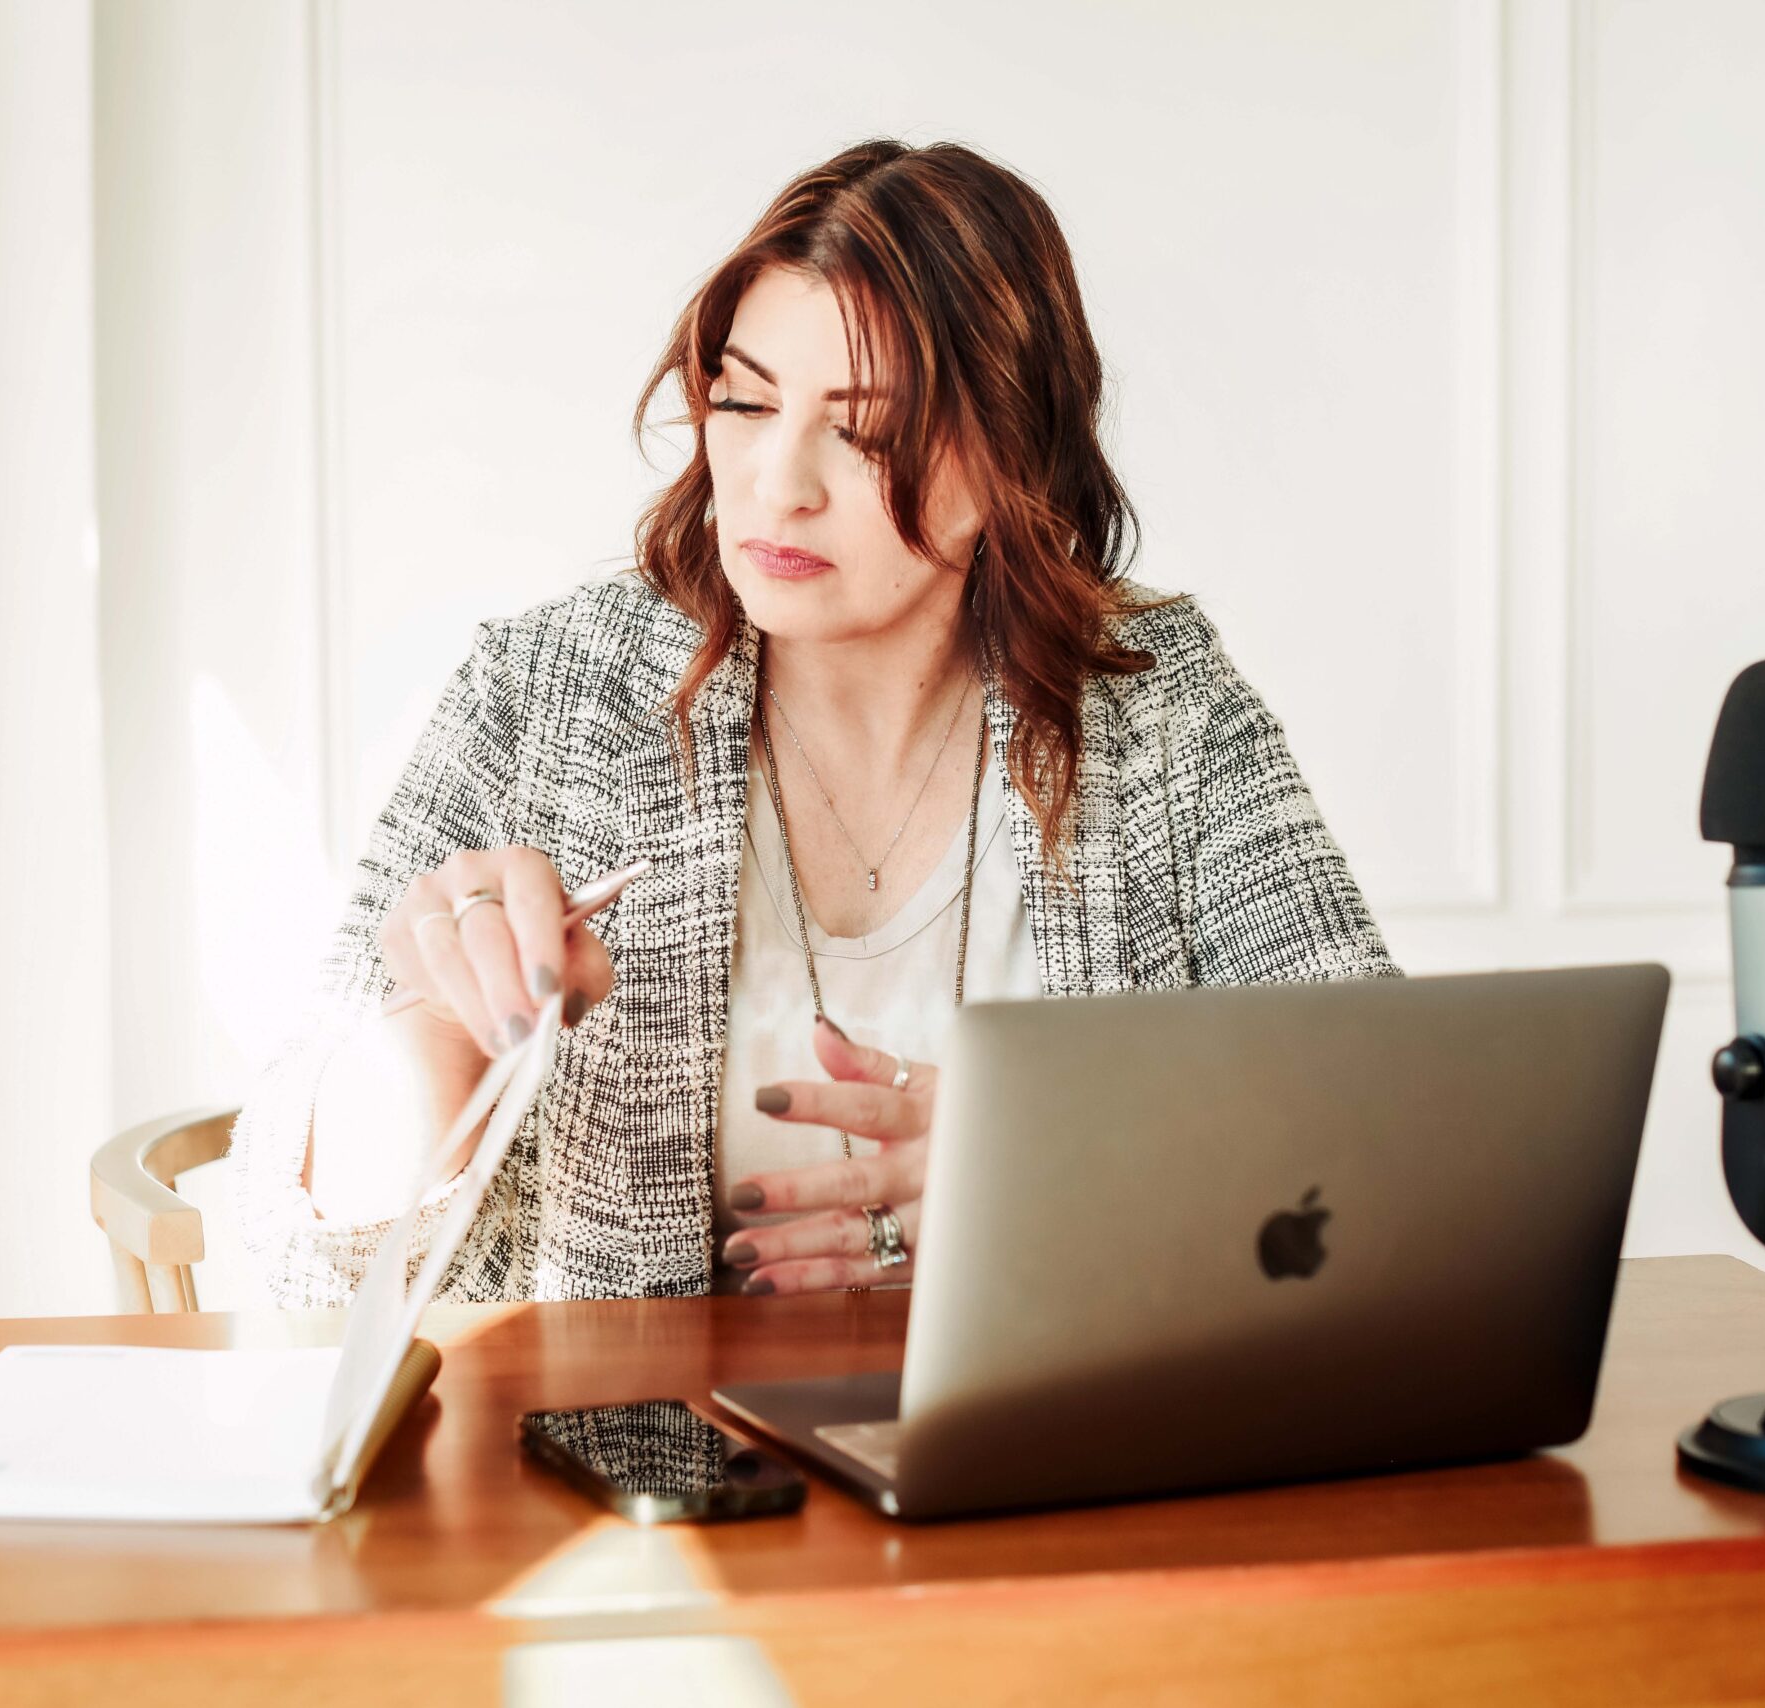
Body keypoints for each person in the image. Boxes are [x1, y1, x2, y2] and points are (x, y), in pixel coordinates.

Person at [227, 137, 1399, 1309]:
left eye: (865, 429)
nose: (775, 481)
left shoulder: (1153, 703)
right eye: (741, 401)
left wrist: (1082, 1179)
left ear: (1010, 456)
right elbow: (283, 1269)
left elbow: (1380, 1134)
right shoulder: (545, 695)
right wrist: (433, 1044)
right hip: (644, 1476)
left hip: (1057, 1470)